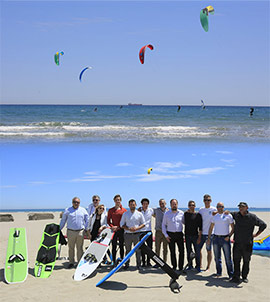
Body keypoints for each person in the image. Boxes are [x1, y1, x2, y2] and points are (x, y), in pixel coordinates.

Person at [229, 202, 267, 283]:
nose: (241, 208)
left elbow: (263, 225)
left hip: (247, 243)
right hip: (237, 242)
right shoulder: (236, 215)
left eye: (242, 207)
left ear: (247, 207)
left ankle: (244, 277)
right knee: (236, 260)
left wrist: (256, 234)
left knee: (246, 261)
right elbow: (227, 213)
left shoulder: (252, 217)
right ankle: (236, 277)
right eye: (239, 207)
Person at [60, 197, 89, 268]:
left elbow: (87, 220)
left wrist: (86, 229)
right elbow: (63, 220)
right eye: (75, 202)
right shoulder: (67, 210)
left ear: (79, 203)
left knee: (79, 248)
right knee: (71, 248)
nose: (76, 203)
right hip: (70, 231)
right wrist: (59, 229)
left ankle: (79, 263)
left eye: (78, 202)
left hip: (80, 232)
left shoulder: (83, 210)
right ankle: (71, 262)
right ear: (72, 202)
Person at [207, 202, 234, 278]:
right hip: (216, 238)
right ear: (216, 207)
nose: (220, 208)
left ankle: (231, 274)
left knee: (228, 258)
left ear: (223, 207)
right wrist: (209, 238)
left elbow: (233, 228)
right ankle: (219, 272)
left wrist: (229, 236)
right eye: (218, 206)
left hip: (225, 238)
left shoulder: (228, 215)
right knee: (217, 257)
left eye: (221, 206)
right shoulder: (214, 216)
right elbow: (211, 227)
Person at [120, 199, 145, 270]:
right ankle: (127, 264)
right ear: (128, 205)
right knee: (128, 250)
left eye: (133, 204)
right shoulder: (125, 214)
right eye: (131, 204)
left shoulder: (139, 214)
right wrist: (128, 229)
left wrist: (137, 228)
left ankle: (138, 265)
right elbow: (121, 224)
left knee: (138, 250)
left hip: (137, 234)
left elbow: (143, 224)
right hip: (127, 234)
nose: (132, 206)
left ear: (136, 205)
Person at [162, 199, 185, 272]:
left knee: (181, 251)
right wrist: (166, 235)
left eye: (175, 204)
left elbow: (185, 223)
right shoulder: (167, 214)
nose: (174, 205)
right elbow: (163, 225)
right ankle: (174, 266)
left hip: (179, 234)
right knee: (172, 251)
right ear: (170, 205)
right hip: (170, 234)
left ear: (177, 204)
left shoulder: (181, 213)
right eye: (172, 204)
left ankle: (181, 267)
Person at [107, 195, 127, 266]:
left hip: (122, 230)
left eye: (118, 200)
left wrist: (120, 227)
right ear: (114, 201)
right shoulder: (111, 210)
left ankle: (121, 260)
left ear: (120, 200)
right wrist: (112, 227)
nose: (117, 201)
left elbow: (126, 221)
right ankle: (114, 261)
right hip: (114, 231)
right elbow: (108, 221)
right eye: (116, 200)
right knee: (114, 246)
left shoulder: (124, 210)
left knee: (121, 246)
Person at [198, 194, 217, 270]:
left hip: (211, 234)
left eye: (208, 200)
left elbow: (221, 214)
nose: (207, 201)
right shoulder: (201, 210)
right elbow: (198, 221)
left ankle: (208, 266)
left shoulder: (214, 209)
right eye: (205, 200)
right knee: (198, 250)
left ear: (211, 201)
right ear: (203, 201)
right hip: (202, 233)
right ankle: (200, 264)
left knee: (209, 251)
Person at [183, 200, 202, 272]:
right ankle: (190, 265)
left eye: (193, 205)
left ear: (195, 206)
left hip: (195, 236)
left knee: (197, 252)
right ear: (188, 206)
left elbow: (200, 228)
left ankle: (198, 266)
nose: (191, 206)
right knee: (188, 251)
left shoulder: (198, 215)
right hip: (187, 236)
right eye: (190, 205)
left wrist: (199, 237)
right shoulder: (186, 214)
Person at [153, 199, 169, 264]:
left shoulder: (168, 211)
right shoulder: (156, 210)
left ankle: (164, 262)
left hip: (166, 232)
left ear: (165, 203)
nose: (161, 205)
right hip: (158, 231)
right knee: (157, 248)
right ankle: (157, 263)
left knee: (165, 249)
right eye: (160, 203)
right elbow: (149, 211)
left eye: (163, 203)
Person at [139, 198, 154, 267]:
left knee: (149, 247)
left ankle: (148, 262)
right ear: (142, 204)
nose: (145, 205)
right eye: (144, 204)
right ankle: (143, 262)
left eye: (146, 204)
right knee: (142, 248)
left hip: (149, 231)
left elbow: (157, 214)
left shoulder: (151, 210)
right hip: (141, 231)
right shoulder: (139, 211)